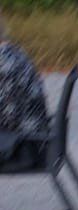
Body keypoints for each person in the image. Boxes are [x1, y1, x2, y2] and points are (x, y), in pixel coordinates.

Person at [0, 13, 50, 170]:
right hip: (31, 141)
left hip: (23, 148)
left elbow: (10, 118)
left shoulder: (4, 63)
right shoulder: (12, 52)